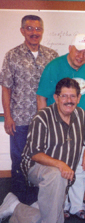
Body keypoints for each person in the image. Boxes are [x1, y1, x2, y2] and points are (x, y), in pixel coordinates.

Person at [0, 78, 85, 223]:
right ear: (56, 98)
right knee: (56, 175)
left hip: (62, 171)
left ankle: (16, 207)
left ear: (78, 98)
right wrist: (60, 164)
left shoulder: (81, 115)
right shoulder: (42, 117)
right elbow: (35, 153)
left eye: (72, 96)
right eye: (64, 96)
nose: (68, 100)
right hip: (36, 168)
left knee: (43, 215)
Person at [36, 33, 85, 219]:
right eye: (78, 51)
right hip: (57, 124)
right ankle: (61, 205)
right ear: (70, 48)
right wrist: (46, 124)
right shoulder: (54, 66)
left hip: (80, 123)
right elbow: (41, 97)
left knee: (81, 165)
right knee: (60, 167)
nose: (81, 56)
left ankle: (77, 206)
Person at [0, 14, 58, 205]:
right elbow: (6, 88)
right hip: (20, 119)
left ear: (42, 31)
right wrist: (7, 116)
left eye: (38, 29)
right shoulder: (12, 55)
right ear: (22, 30)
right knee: (19, 160)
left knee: (44, 159)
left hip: (47, 120)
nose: (34, 33)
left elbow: (59, 88)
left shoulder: (52, 56)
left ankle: (40, 200)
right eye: (30, 28)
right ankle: (17, 201)